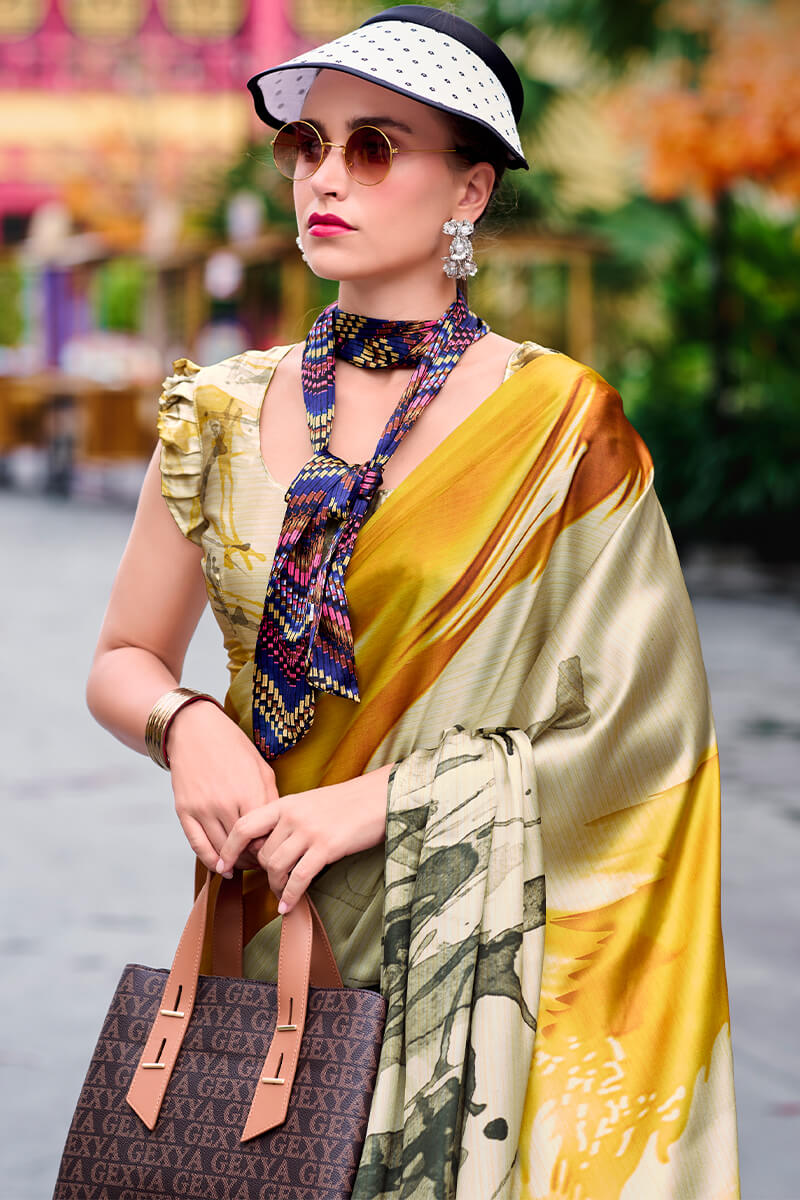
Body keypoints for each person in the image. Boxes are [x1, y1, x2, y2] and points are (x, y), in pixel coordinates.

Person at [86, 6, 739, 1198]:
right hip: (269, 934)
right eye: (307, 147)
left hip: (479, 957)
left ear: (469, 194)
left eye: (373, 146)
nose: (322, 176)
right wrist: (185, 727)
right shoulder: (220, 411)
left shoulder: (558, 428)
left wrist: (378, 802)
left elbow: (642, 729)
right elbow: (126, 653)